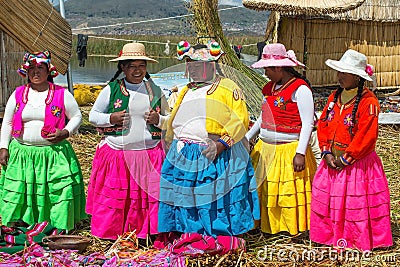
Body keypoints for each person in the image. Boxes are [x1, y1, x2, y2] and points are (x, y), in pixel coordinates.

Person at [158, 40, 260, 236]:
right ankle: (189, 234)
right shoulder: (187, 89)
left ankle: (216, 236)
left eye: (198, 65)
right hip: (184, 153)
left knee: (213, 198)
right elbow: (176, 119)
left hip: (214, 152)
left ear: (211, 65)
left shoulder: (228, 87)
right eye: (190, 64)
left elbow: (240, 119)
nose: (193, 69)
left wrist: (222, 144)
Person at [310, 49, 392, 251]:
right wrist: (326, 151)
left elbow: (367, 135)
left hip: (356, 164)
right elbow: (323, 124)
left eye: (345, 73)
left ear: (357, 76)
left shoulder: (368, 102)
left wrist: (346, 159)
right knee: (329, 201)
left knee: (355, 206)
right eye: (339, 72)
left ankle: (355, 239)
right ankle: (331, 236)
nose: (340, 76)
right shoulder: (334, 97)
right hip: (332, 160)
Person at [86, 42, 169, 240]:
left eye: (142, 65)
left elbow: (170, 120)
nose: (137, 70)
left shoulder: (155, 91)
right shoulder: (111, 89)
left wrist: (159, 120)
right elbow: (93, 116)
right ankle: (113, 233)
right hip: (118, 156)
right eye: (132, 66)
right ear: (123, 67)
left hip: (149, 155)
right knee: (118, 198)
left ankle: (145, 234)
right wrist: (110, 118)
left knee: (147, 198)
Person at [0, 51, 86, 230]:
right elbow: (7, 123)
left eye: (40, 68)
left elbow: (77, 116)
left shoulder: (62, 94)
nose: (35, 72)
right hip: (22, 154)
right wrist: (3, 147)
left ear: (49, 71)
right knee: (20, 191)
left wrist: (66, 132)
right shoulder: (18, 94)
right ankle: (18, 225)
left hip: (53, 154)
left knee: (56, 191)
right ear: (26, 72)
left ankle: (56, 226)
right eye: (31, 68)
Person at [246, 43, 316, 235]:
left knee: (287, 194)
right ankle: (268, 226)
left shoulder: (300, 90)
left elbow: (308, 123)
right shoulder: (268, 88)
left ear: (278, 68)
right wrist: (247, 137)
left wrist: (300, 153)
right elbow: (263, 117)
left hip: (288, 150)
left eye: (267, 69)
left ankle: (291, 228)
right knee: (267, 189)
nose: (265, 73)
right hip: (266, 149)